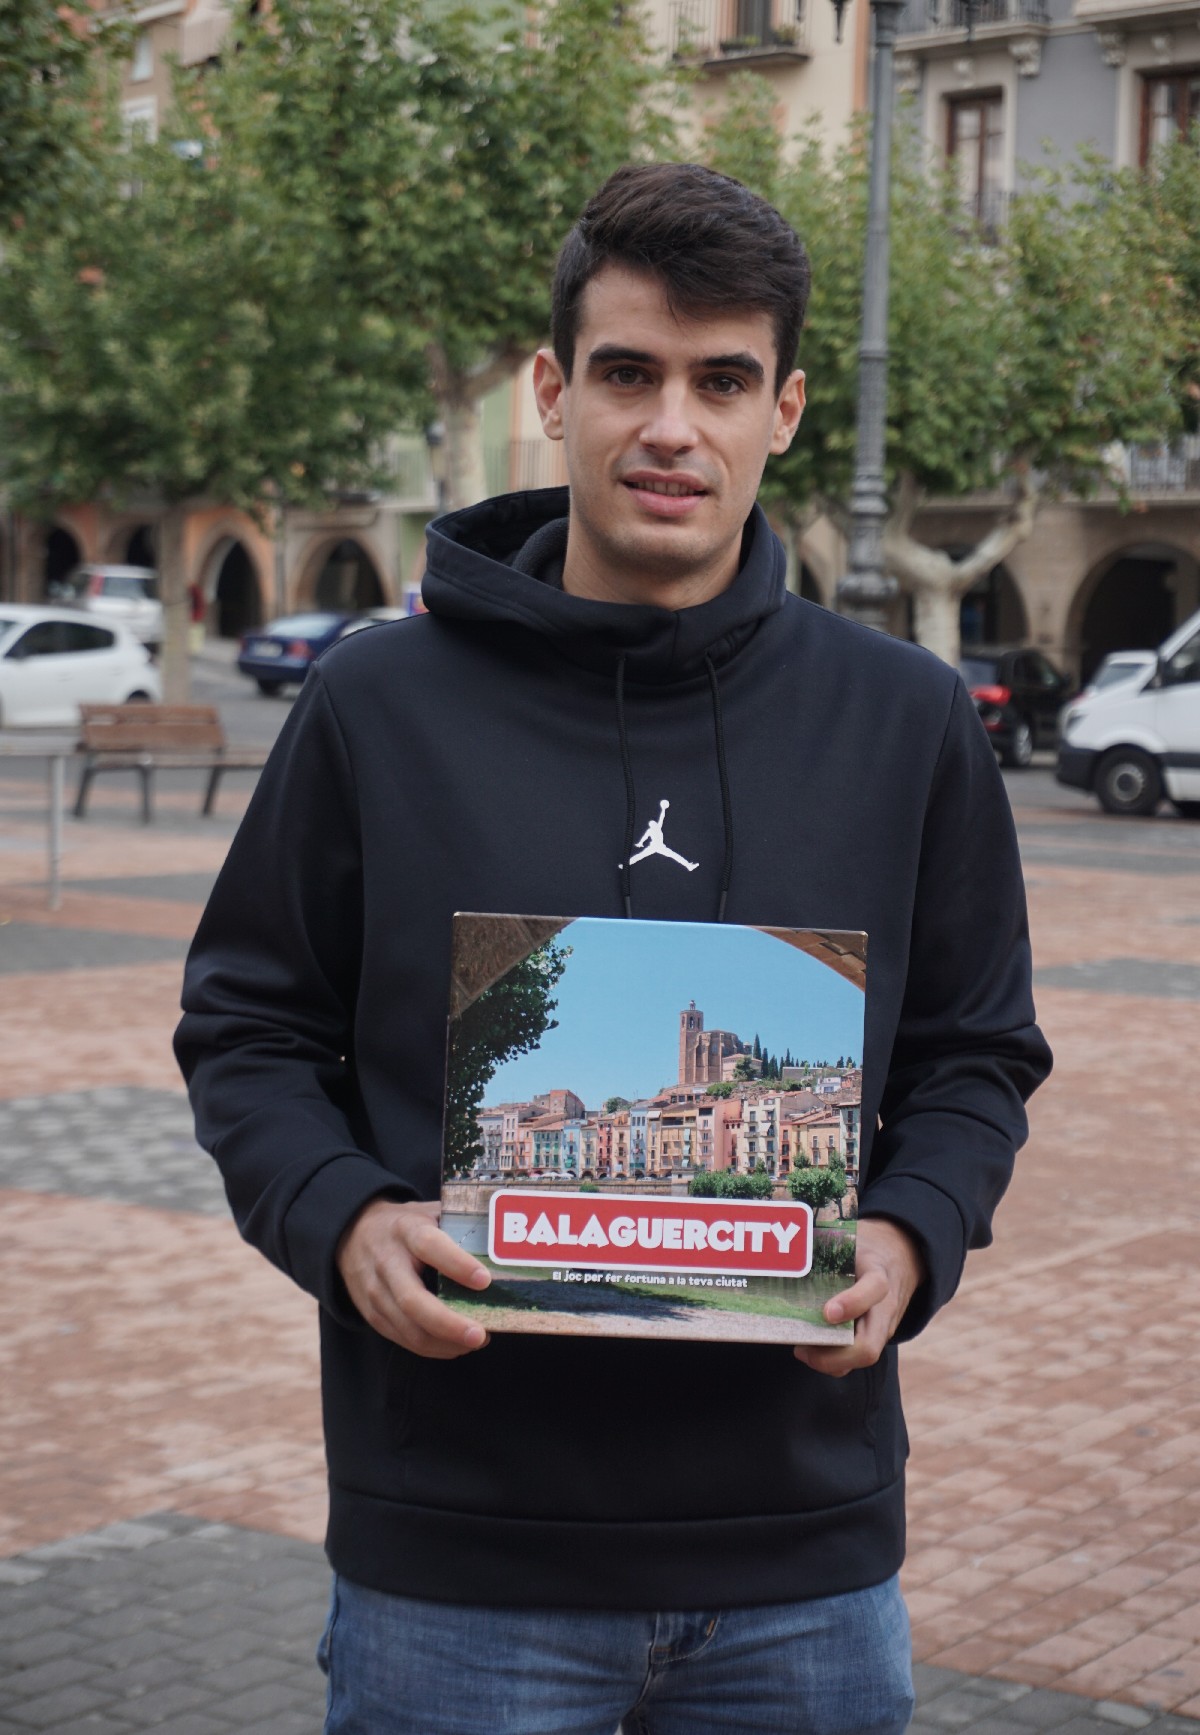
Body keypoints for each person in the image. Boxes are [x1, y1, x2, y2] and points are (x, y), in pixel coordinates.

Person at [176, 162, 1052, 1735]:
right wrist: (340, 1216)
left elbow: (976, 1052)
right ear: (550, 390)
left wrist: (915, 1234)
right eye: (629, 373)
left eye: (721, 382)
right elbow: (249, 1025)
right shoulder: (377, 702)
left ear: (785, 410)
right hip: (456, 1566)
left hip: (806, 1567)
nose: (671, 427)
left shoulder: (908, 719)